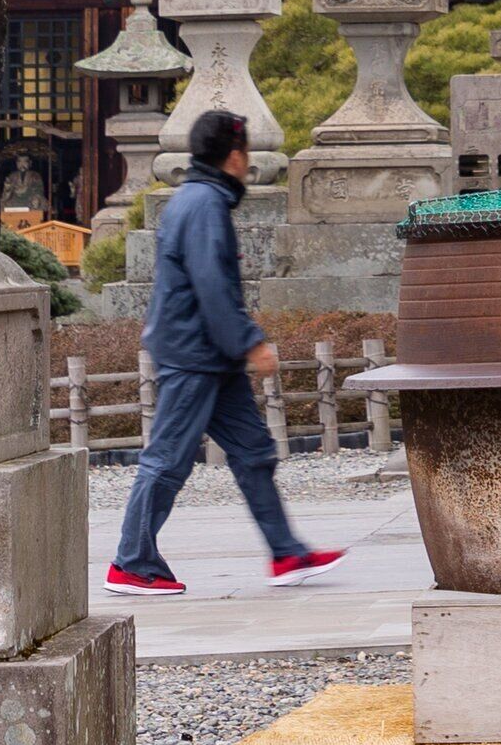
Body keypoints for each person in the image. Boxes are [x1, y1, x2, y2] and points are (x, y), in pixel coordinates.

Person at [105, 107, 344, 596]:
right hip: (195, 354)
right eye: (248, 152)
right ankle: (131, 562)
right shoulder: (204, 205)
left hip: (209, 356)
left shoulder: (197, 198)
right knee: (168, 459)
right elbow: (212, 285)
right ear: (235, 157)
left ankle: (287, 553)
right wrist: (250, 342)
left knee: (253, 452)